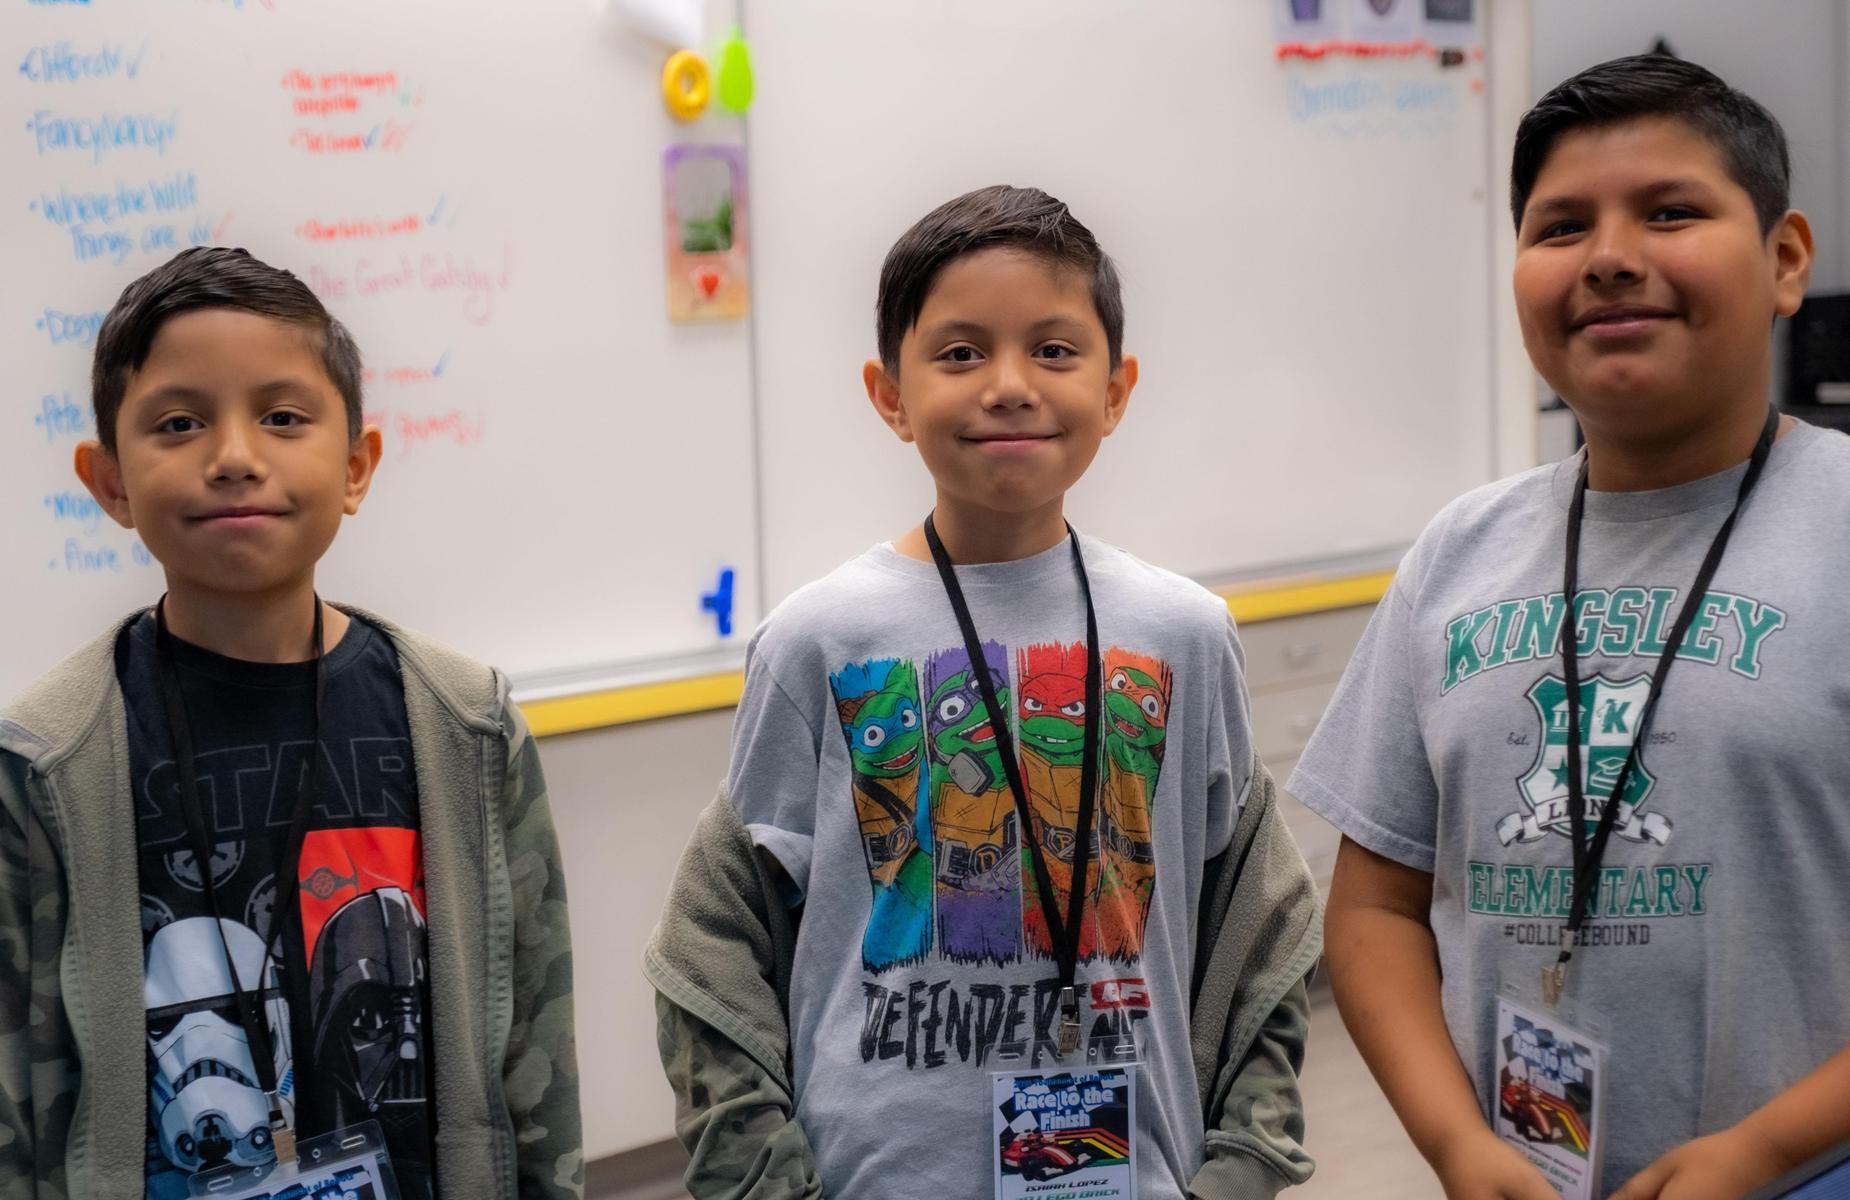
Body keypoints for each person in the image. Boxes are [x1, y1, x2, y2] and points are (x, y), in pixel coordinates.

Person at [648, 185, 1322, 1199]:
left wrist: (1239, 1169)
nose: (1008, 385)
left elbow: (1262, 932)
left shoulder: (1182, 633)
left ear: (1116, 388)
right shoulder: (817, 639)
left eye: (1053, 350)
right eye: (959, 353)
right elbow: (713, 944)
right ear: (888, 393)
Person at [1293, 55, 1850, 1199]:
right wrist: (1456, 1142)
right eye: (1558, 227)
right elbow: (1375, 908)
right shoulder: (1457, 556)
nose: (1606, 256)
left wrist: (1761, 1151)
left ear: (1784, 259)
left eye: (1669, 211)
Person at [0, 247, 582, 1199]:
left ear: (356, 466)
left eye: (281, 416)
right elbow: (20, 1093)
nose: (235, 457)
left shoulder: (465, 726)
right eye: (180, 423)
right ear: (109, 482)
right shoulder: (46, 763)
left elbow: (533, 1052)